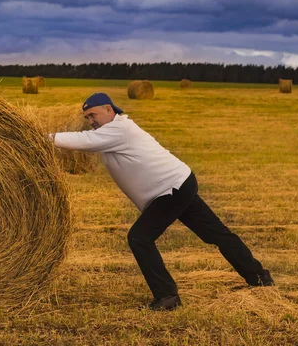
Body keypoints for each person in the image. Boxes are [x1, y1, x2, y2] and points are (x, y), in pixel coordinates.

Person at [49, 93, 274, 311]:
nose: (90, 121)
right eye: (87, 117)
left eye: (93, 115)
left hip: (171, 189)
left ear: (109, 110)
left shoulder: (119, 129)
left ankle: (167, 296)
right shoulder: (112, 131)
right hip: (178, 184)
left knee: (140, 238)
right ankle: (259, 277)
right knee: (216, 233)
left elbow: (83, 141)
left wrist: (42, 137)